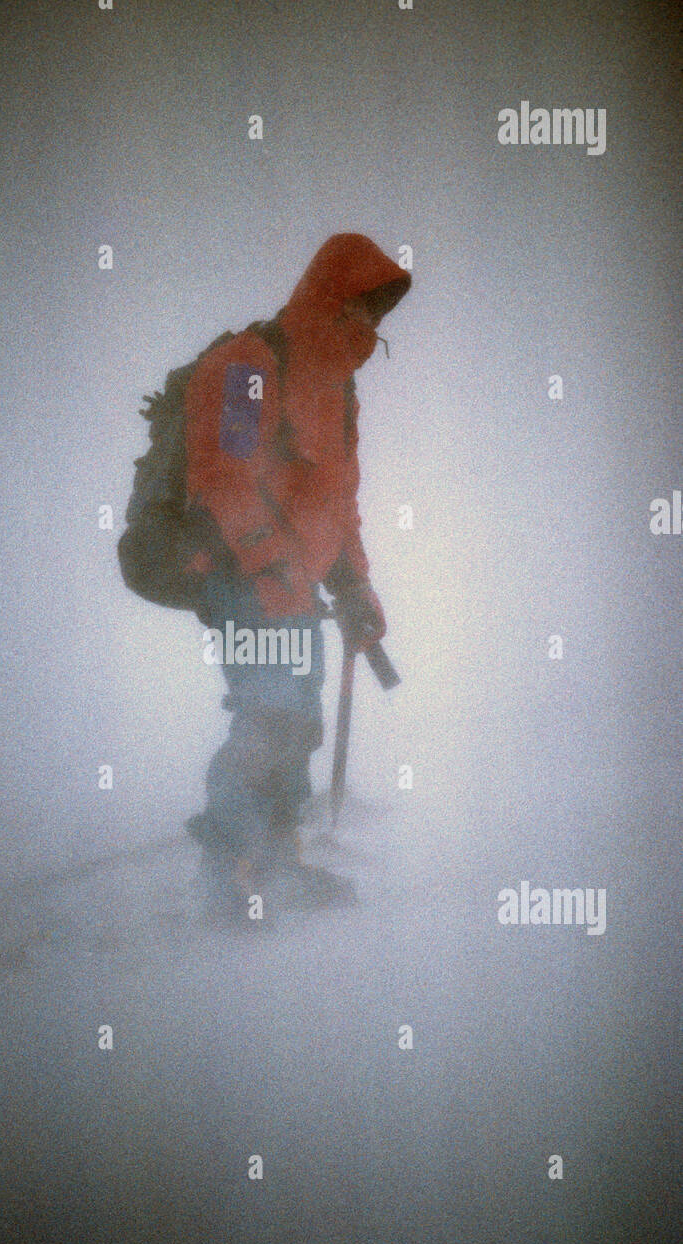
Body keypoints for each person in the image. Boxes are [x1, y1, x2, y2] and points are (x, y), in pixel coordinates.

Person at [183, 233, 411, 915]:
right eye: (361, 305)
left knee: (299, 720)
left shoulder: (339, 393)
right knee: (267, 714)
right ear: (332, 298)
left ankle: (279, 865)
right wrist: (269, 564)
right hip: (239, 577)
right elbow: (224, 476)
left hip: (297, 589)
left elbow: (337, 504)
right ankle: (226, 874)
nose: (371, 323)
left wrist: (353, 587)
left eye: (377, 309)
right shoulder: (253, 363)